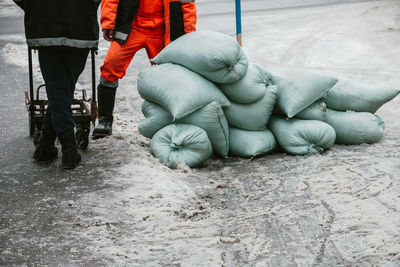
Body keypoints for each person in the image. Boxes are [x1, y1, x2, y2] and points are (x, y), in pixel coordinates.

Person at [13, 0, 100, 169]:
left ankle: (47, 146)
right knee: (62, 89)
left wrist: (35, 6)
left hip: (44, 25)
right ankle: (67, 149)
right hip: (80, 26)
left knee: (59, 90)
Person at [92, 0, 197, 138]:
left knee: (168, 76)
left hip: (162, 30)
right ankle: (104, 120)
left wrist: (188, 34)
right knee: (110, 67)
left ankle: (168, 120)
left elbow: (187, 4)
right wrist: (108, 24)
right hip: (131, 28)